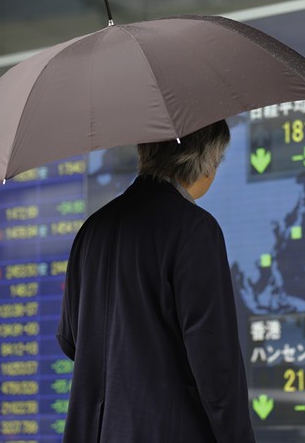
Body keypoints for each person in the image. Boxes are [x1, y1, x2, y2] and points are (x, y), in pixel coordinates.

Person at [57, 119, 256, 442]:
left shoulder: (91, 230)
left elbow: (69, 340)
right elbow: (214, 362)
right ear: (205, 162)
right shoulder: (195, 230)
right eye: (217, 162)